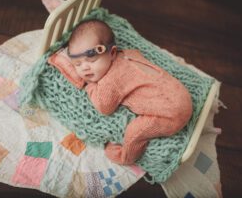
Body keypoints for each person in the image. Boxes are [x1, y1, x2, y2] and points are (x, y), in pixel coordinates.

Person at [52, 19, 193, 165]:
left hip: (172, 115)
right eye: (77, 64)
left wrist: (90, 86)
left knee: (134, 132)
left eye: (92, 60)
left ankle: (125, 157)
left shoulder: (112, 80)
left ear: (112, 53)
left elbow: (104, 107)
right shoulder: (129, 53)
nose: (84, 68)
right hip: (181, 94)